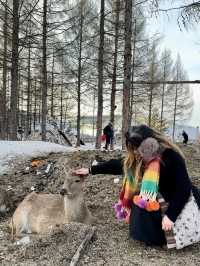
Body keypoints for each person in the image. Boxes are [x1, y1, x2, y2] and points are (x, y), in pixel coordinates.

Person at [73, 125, 200, 248]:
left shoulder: (171, 156)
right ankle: (154, 237)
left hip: (178, 200)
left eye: (137, 147)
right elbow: (117, 164)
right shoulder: (139, 158)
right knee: (139, 202)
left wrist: (171, 216)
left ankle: (165, 237)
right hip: (157, 200)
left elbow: (183, 189)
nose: (135, 152)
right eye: (132, 148)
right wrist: (90, 170)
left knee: (157, 213)